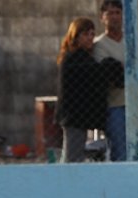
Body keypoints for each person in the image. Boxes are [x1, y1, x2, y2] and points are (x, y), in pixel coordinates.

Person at [93, 0, 138, 161]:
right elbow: (108, 73)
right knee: (120, 152)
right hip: (116, 106)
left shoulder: (136, 37)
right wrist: (134, 62)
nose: (114, 17)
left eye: (117, 13)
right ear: (102, 17)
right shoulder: (99, 45)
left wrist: (121, 65)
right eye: (109, 13)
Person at [56, 17, 116, 162]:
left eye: (92, 34)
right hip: (74, 117)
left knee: (74, 155)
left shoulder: (83, 57)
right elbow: (94, 74)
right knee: (73, 157)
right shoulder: (73, 59)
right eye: (85, 34)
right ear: (75, 36)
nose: (90, 38)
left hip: (78, 116)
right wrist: (109, 66)